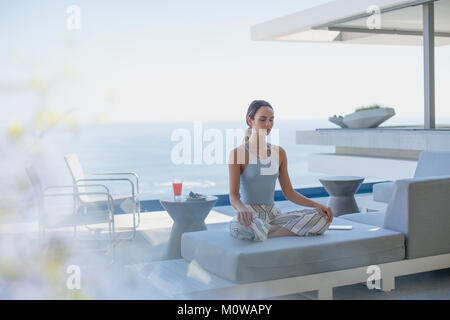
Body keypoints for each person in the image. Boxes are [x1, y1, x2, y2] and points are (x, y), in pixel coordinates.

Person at [228, 100, 334, 241]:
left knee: (321, 217)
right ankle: (279, 230)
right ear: (250, 120)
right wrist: (241, 209)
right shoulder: (237, 153)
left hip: (274, 215)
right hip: (250, 215)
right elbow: (233, 195)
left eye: (271, 120)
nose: (268, 124)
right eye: (263, 119)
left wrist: (317, 205)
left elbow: (289, 192)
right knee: (238, 227)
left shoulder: (279, 152)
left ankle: (267, 232)